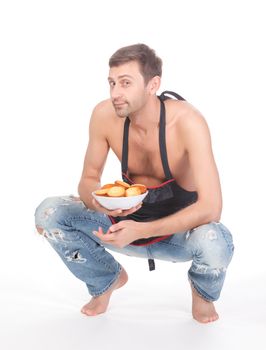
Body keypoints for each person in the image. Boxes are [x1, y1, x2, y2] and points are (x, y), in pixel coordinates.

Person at [35, 43, 234, 323]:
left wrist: (142, 229)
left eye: (126, 83)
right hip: (120, 228)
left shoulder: (187, 122)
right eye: (112, 83)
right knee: (49, 212)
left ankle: (202, 294)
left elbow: (212, 208)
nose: (115, 93)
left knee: (217, 240)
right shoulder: (104, 116)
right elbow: (88, 179)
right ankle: (106, 278)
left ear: (153, 84)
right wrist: (102, 204)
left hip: (175, 238)